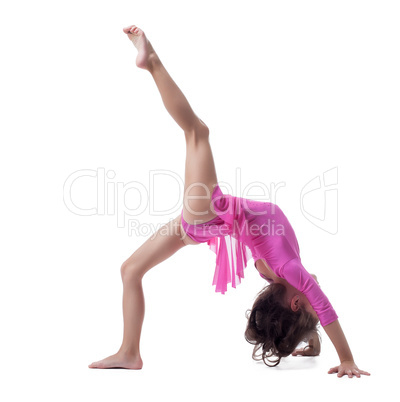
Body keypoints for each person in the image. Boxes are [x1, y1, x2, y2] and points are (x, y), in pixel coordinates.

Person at [88, 25, 370, 378]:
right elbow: (317, 315)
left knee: (197, 131)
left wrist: (346, 358)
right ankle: (130, 353)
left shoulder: (287, 272)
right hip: (202, 225)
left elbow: (324, 310)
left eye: (308, 303)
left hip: (210, 213)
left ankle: (152, 61)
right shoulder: (283, 273)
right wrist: (311, 341)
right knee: (130, 271)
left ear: (298, 301)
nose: (317, 290)